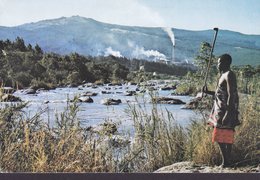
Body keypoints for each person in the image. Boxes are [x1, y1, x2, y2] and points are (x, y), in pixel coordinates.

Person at [203, 53, 240, 168]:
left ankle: (226, 162)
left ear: (225, 63)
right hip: (221, 109)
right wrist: (207, 92)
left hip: (225, 110)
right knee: (225, 134)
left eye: (219, 62)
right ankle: (227, 161)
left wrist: (228, 113)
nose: (217, 65)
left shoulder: (229, 75)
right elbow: (220, 93)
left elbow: (231, 95)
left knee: (220, 135)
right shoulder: (223, 75)